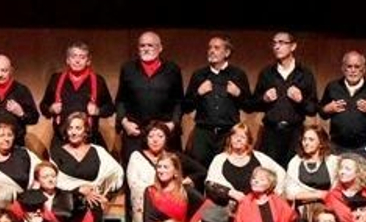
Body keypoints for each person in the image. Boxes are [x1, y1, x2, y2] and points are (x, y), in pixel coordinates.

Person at [182, 36, 252, 165]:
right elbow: (186, 107)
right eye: (209, 48)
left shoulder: (238, 74)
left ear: (227, 52)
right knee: (199, 169)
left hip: (228, 133)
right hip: (203, 133)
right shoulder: (199, 75)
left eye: (217, 48)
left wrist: (238, 94)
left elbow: (249, 106)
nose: (211, 51)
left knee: (225, 167)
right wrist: (199, 92)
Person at [251, 31, 317, 164]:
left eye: (281, 43)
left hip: (295, 133)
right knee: (270, 173)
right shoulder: (267, 73)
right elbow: (252, 104)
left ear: (293, 46)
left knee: (292, 173)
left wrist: (301, 100)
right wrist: (264, 99)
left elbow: (313, 109)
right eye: (274, 43)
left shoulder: (305, 73)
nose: (276, 47)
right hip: (271, 133)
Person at [115, 31, 184, 158]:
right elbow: (121, 100)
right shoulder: (127, 68)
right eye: (142, 46)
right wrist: (124, 123)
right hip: (135, 132)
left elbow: (179, 101)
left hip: (164, 132)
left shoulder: (173, 69)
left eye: (150, 45)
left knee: (168, 171)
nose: (146, 49)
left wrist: (173, 124)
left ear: (160, 48)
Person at [318, 51, 366, 154]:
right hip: (336, 146)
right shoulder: (332, 87)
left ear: (363, 69)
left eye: (357, 66)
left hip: (363, 146)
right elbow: (322, 112)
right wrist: (328, 108)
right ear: (343, 69)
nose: (353, 70)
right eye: (349, 66)